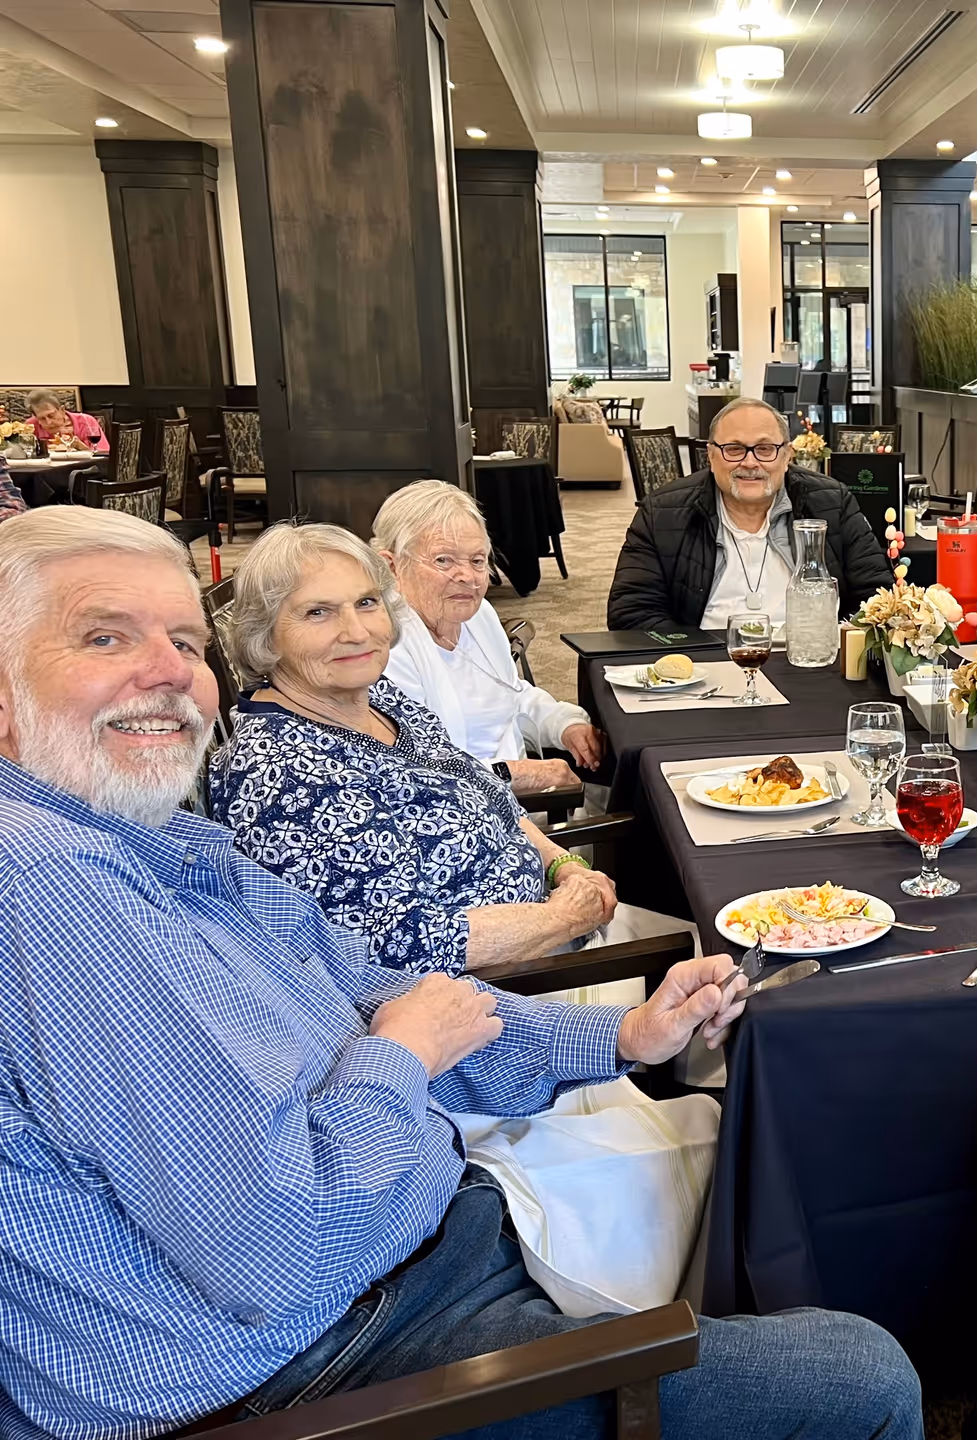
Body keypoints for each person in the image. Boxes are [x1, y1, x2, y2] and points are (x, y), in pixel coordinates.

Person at [0, 506, 923, 1440]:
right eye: (104, 636)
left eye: (184, 640)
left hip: (416, 1245)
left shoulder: (166, 842)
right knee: (859, 1373)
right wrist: (399, 1058)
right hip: (321, 1371)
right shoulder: (52, 887)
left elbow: (393, 992)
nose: (167, 672)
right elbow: (279, 1249)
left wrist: (619, 1035)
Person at [208, 522, 660, 977]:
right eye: (317, 613)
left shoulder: (378, 698)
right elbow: (397, 945)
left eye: (367, 603)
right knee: (720, 972)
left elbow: (489, 797)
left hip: (555, 925)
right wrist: (565, 917)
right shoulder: (280, 774)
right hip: (513, 991)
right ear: (264, 636)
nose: (357, 631)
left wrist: (563, 866)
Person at [375, 480, 603, 797]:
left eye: (477, 560)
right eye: (444, 560)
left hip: (522, 797)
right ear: (392, 566)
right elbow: (414, 775)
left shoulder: (478, 615)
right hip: (464, 819)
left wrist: (564, 723)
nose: (467, 576)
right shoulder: (382, 648)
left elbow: (510, 694)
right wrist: (518, 774)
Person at [607, 395, 895, 634]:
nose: (749, 462)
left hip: (812, 665)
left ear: (786, 456)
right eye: (733, 449)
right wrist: (692, 658)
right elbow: (632, 612)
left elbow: (877, 598)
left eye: (765, 449)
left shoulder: (832, 504)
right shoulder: (663, 512)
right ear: (710, 455)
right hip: (706, 666)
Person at [26, 388, 107, 454]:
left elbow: (104, 454)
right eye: (42, 418)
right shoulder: (30, 426)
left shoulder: (86, 421)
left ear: (62, 410)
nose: (49, 422)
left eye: (51, 415)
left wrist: (81, 448)